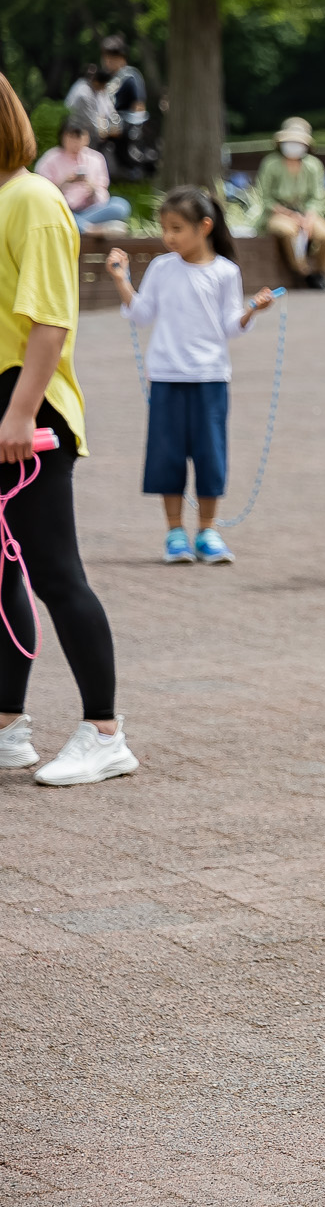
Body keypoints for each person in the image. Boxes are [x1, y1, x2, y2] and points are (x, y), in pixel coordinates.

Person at [0, 76, 136, 786]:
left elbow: (49, 319)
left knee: (56, 571)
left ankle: (104, 730)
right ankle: (7, 725)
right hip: (5, 405)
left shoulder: (33, 200)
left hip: (30, 408)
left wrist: (20, 410)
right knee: (0, 570)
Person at [102, 190, 275, 565]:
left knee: (210, 455)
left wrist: (251, 311)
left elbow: (231, 325)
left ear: (205, 227)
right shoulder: (163, 268)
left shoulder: (226, 272)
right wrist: (121, 281)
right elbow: (143, 313)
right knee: (168, 455)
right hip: (165, 376)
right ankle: (175, 533)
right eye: (165, 229)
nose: (169, 237)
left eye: (177, 229)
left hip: (211, 378)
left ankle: (208, 531)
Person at [255, 118, 325, 289]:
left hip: (307, 213)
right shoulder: (270, 164)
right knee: (287, 231)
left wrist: (308, 218)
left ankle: (320, 273)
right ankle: (302, 271)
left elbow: (317, 197)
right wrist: (290, 215)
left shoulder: (314, 166)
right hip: (278, 213)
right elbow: (266, 198)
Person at [34, 121, 128, 232]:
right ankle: (90, 229)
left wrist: (92, 189)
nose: (75, 142)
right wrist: (64, 184)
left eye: (79, 137)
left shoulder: (96, 159)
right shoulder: (50, 159)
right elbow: (42, 195)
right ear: (62, 137)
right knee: (51, 212)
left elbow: (102, 194)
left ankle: (78, 226)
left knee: (121, 205)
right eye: (71, 137)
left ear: (87, 138)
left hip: (90, 210)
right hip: (63, 210)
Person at [96, 37, 153, 183]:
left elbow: (139, 108)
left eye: (113, 57)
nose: (108, 61)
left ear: (122, 57)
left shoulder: (130, 76)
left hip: (125, 129)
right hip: (107, 126)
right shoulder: (107, 78)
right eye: (106, 57)